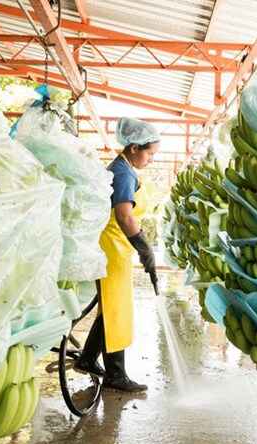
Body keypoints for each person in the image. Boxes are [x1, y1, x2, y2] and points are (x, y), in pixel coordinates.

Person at [73, 117, 160, 393]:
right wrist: (144, 247)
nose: (152, 159)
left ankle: (87, 359)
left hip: (115, 246)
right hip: (112, 246)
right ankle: (116, 374)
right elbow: (124, 215)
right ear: (134, 147)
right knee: (116, 308)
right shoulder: (122, 173)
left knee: (110, 306)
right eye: (150, 153)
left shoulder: (124, 169)